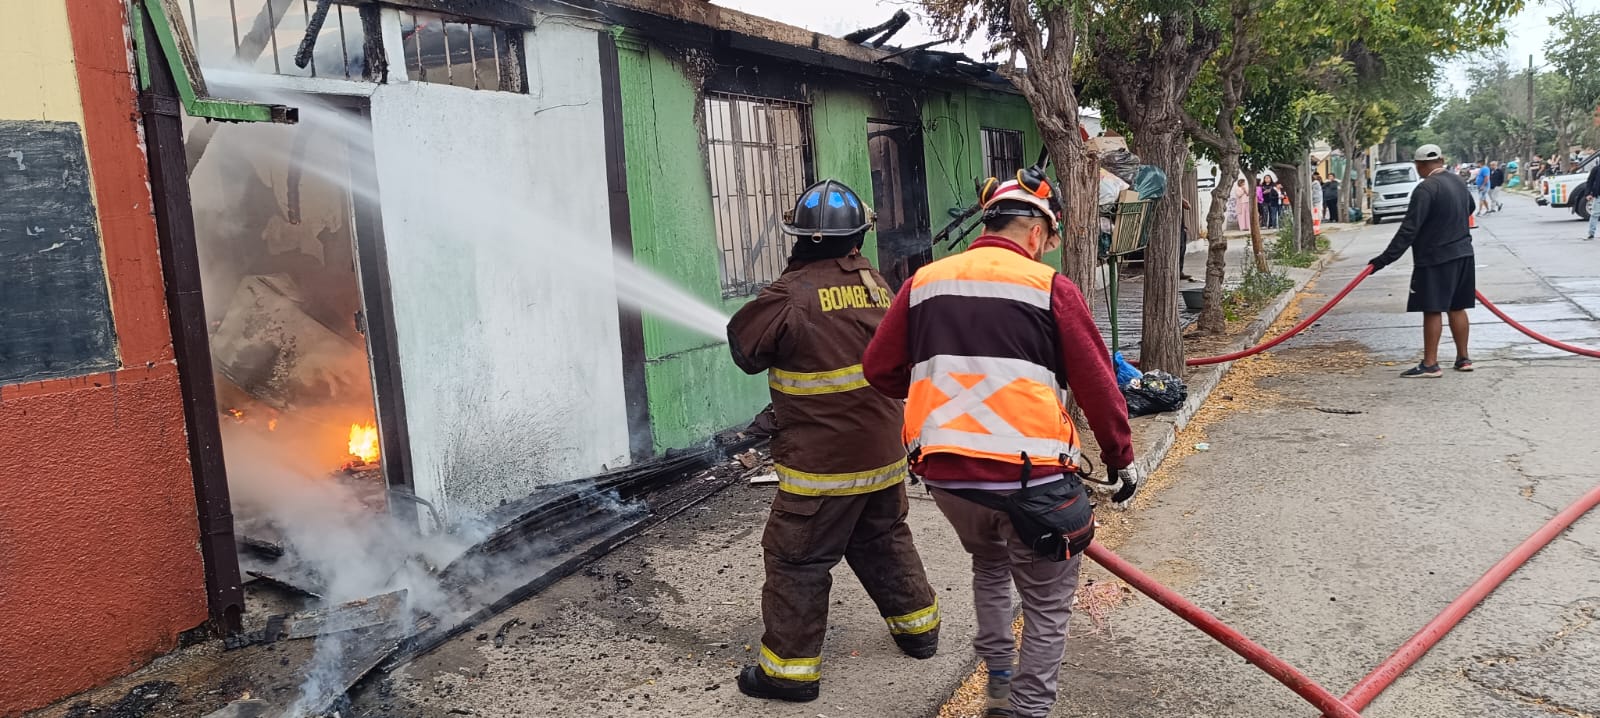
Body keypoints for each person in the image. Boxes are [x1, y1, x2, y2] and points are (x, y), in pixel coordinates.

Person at [862, 171, 1138, 718]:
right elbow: (1097, 383)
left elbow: (879, 368)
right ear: (1036, 231)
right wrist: (1120, 458)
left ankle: (999, 681)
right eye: (1050, 243)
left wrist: (933, 393)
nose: (1047, 253)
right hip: (1029, 479)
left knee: (989, 565)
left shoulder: (925, 282)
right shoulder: (1048, 287)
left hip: (946, 475)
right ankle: (1025, 709)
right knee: (1047, 603)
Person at [727, 179, 941, 703]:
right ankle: (919, 631)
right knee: (883, 539)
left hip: (823, 467)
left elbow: (745, 349)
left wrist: (784, 287)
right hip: (883, 453)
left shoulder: (788, 297)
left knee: (797, 560)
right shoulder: (873, 282)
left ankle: (787, 674)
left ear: (798, 237)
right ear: (858, 239)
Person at [1366, 144, 1477, 378]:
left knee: (1432, 308)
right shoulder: (1458, 182)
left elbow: (1409, 229)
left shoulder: (1426, 188)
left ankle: (1430, 364)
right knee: (1457, 306)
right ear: (1442, 160)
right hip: (1463, 253)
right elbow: (1471, 206)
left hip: (1435, 258)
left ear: (1419, 165)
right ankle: (1463, 358)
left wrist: (1383, 260)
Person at [1586, 159, 1600, 240]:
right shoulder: (1596, 169)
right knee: (1595, 214)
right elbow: (1590, 181)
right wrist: (1588, 193)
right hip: (1598, 195)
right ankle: (1591, 233)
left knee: (1594, 214)